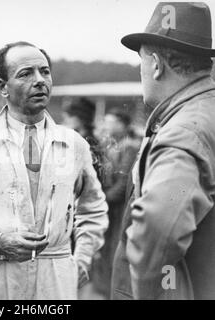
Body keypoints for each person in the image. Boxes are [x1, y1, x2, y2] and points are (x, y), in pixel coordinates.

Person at [0, 41, 108, 300]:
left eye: (45, 71)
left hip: (57, 279)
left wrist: (82, 257)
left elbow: (93, 209)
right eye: (26, 73)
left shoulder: (74, 144)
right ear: (2, 87)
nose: (40, 80)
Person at [112, 2, 215, 300]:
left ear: (156, 65)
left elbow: (157, 234)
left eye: (141, 62)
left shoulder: (185, 129)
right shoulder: (204, 112)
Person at [92, 108, 140, 298]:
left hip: (118, 207)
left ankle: (113, 291)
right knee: (103, 248)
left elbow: (123, 184)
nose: (107, 125)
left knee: (115, 248)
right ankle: (103, 289)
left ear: (122, 125)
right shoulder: (109, 145)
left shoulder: (130, 146)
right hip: (108, 204)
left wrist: (101, 200)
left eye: (111, 122)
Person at [61, 97, 105, 183]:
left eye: (67, 118)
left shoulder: (87, 143)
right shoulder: (87, 140)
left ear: (79, 119)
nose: (64, 122)